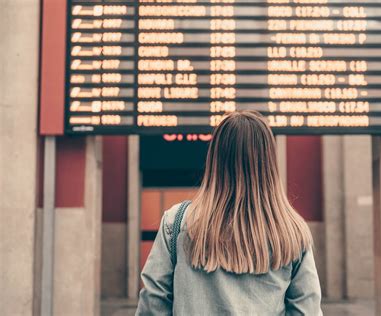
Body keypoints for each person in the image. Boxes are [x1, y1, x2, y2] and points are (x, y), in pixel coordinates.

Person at [136, 111, 323, 315]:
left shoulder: (177, 222)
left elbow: (152, 305)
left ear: (215, 157)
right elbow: (307, 310)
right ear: (269, 161)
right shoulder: (292, 232)